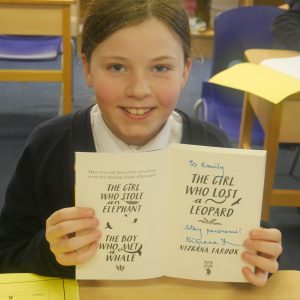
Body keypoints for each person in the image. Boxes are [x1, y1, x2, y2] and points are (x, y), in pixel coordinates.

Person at [0, 0, 281, 287]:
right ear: (86, 69)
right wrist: (50, 252)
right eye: (117, 67)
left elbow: (245, 248)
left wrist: (259, 254)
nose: (138, 90)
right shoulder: (49, 147)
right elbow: (7, 254)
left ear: (185, 71)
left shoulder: (211, 146)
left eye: (160, 68)